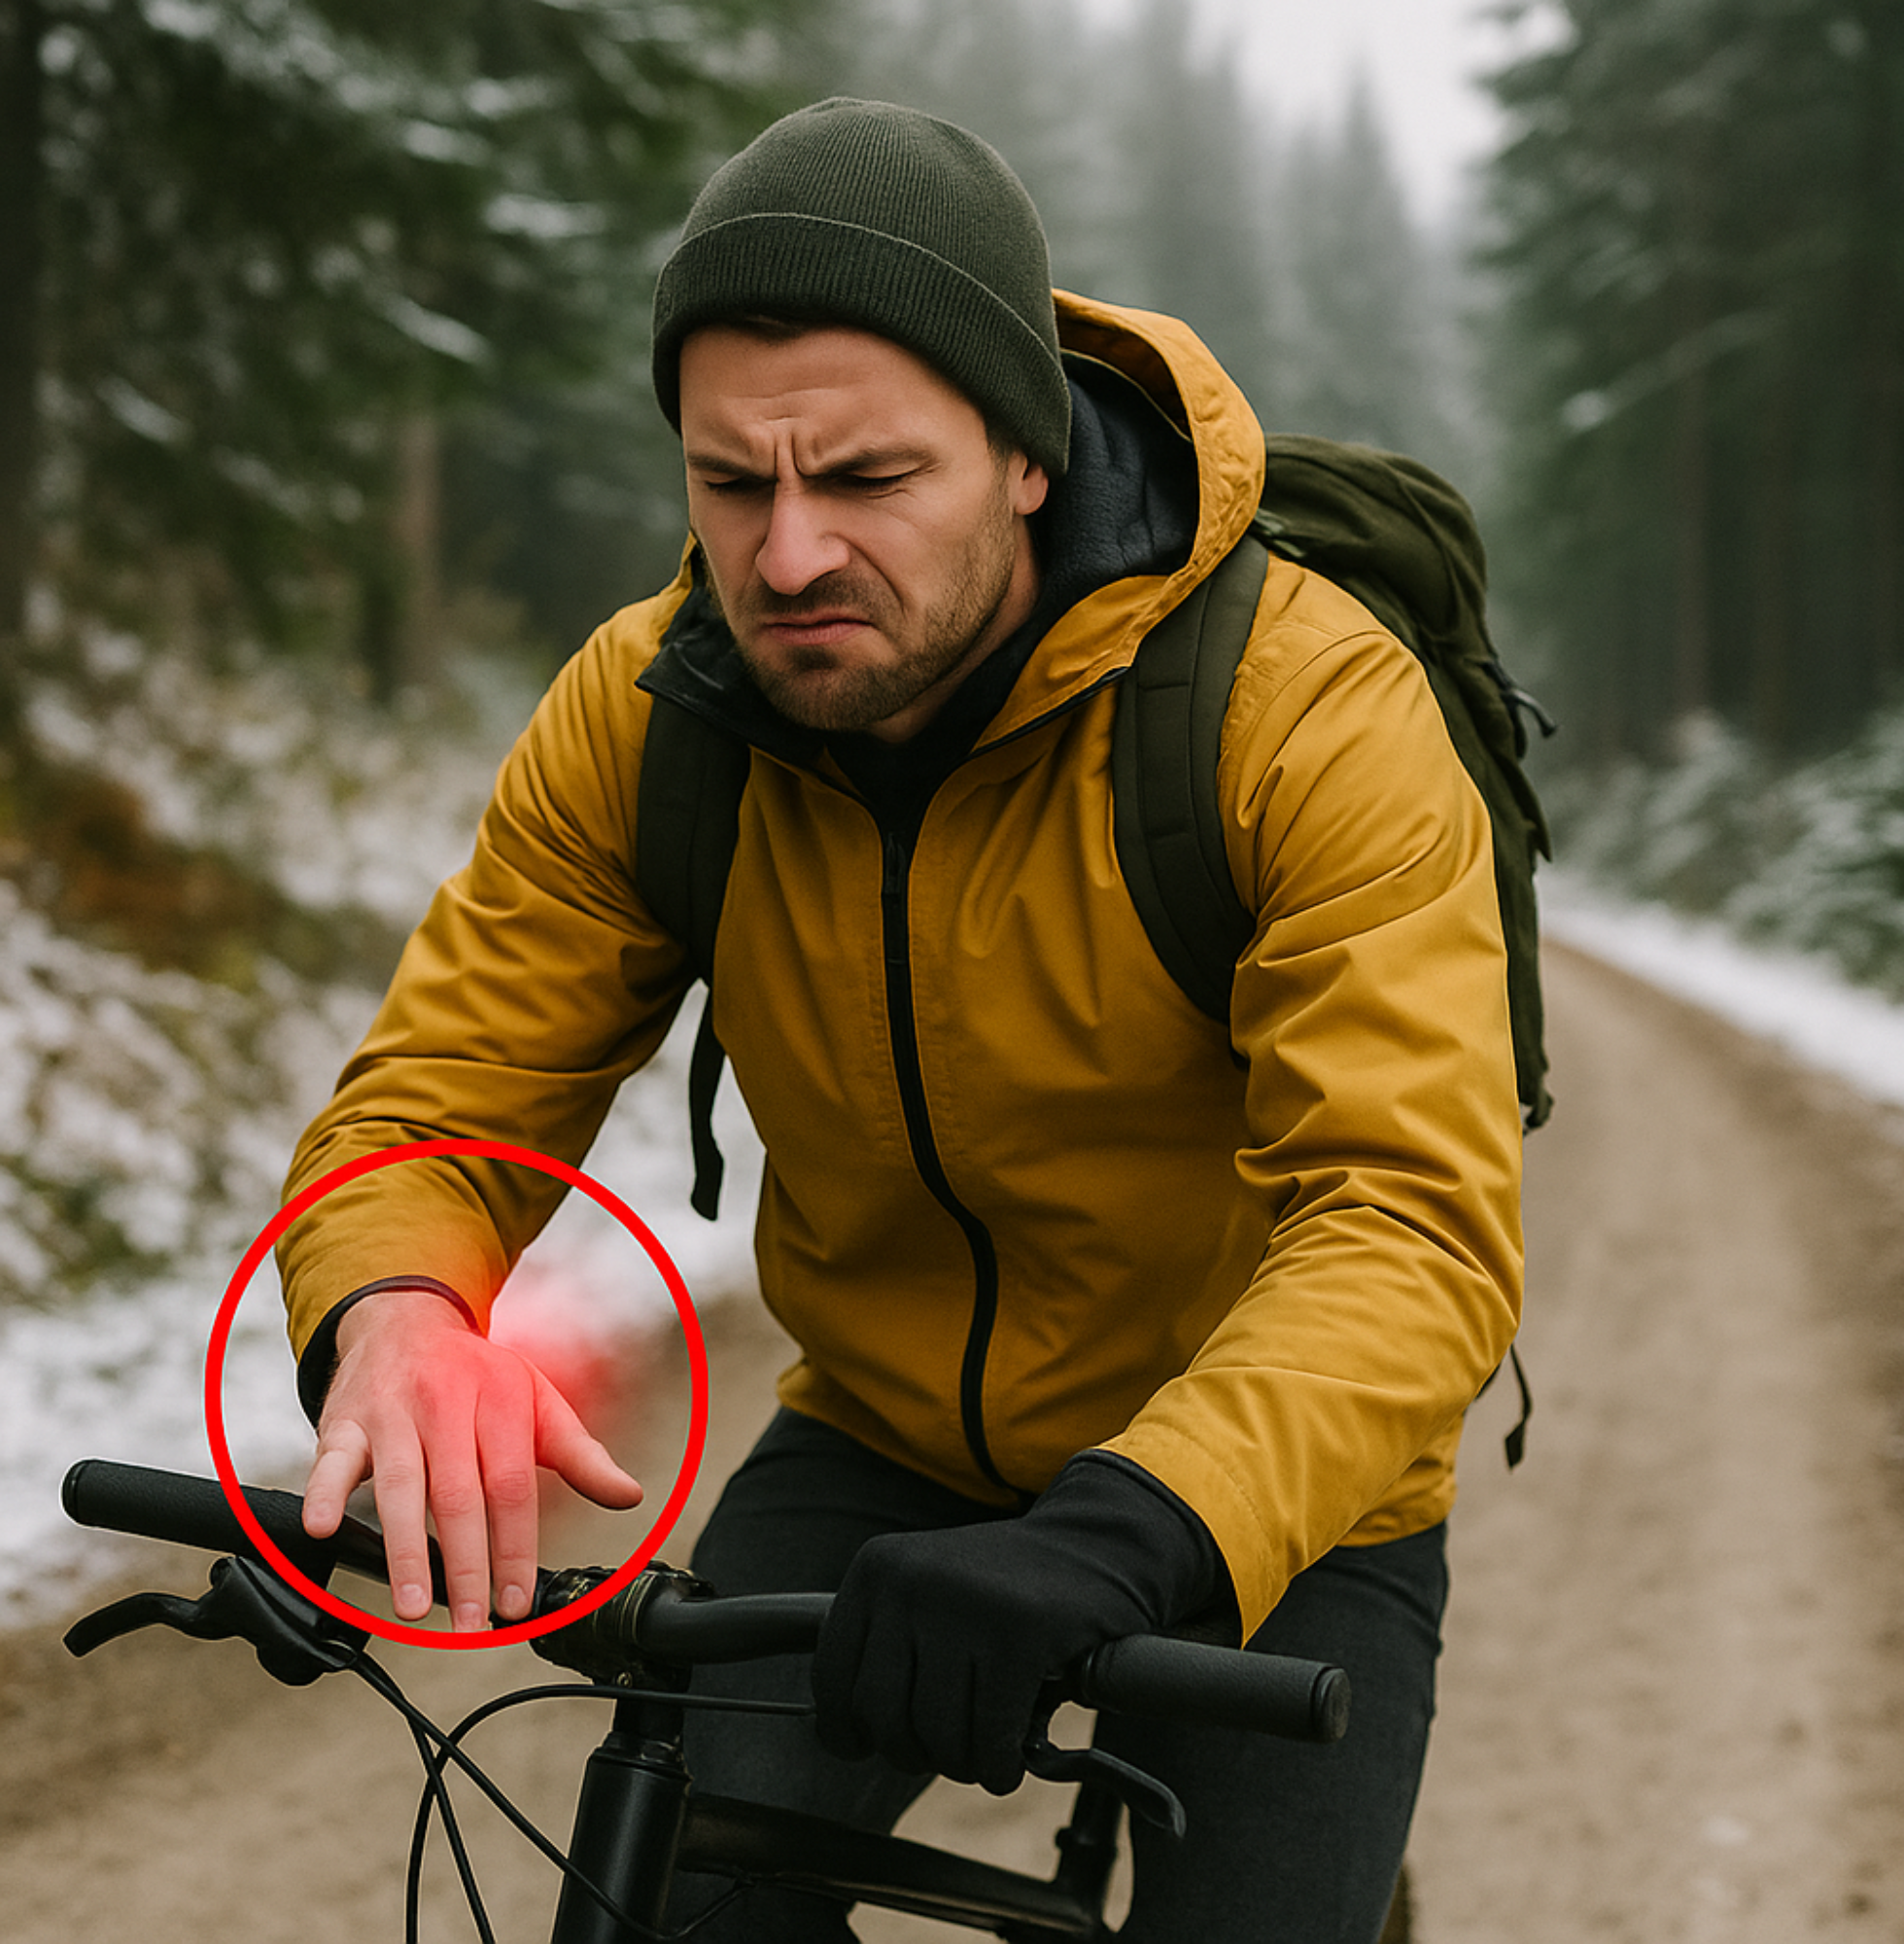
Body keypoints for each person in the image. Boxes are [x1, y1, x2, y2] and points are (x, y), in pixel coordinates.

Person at [279, 97, 1523, 1941]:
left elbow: (1409, 1224)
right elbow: (439, 1101)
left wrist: (1129, 1529)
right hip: (886, 1448)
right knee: (669, 1907)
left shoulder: (1303, 712)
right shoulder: (650, 716)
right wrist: (389, 1313)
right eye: (731, 483)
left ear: (1025, 453)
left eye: (868, 479)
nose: (787, 558)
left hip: (1275, 1487)